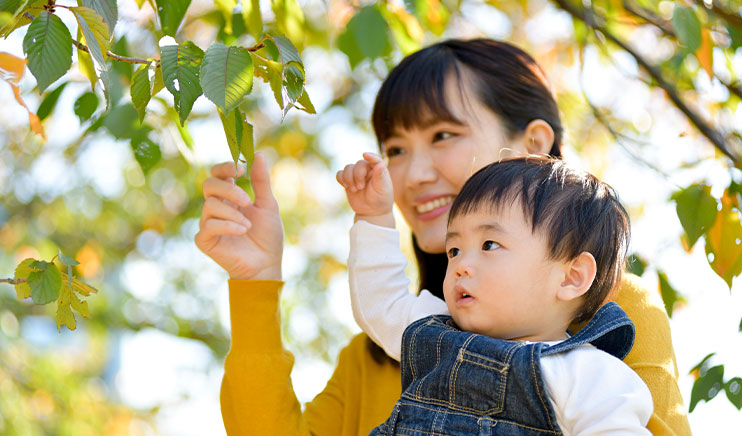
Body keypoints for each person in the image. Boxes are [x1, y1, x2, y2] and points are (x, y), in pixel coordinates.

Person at [195, 39, 691, 435]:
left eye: (443, 136)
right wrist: (257, 282)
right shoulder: (384, 345)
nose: (412, 176)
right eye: (395, 148)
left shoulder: (612, 312)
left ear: (534, 146)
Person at [338, 155, 653, 435]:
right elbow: (381, 302)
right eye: (454, 250)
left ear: (571, 277)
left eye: (489, 245)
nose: (461, 265)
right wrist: (373, 216)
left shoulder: (588, 373)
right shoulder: (435, 333)